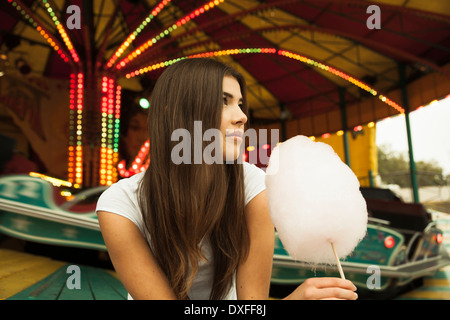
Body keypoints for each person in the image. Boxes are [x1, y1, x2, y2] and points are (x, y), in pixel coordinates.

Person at [96, 58, 357, 300]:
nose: (242, 116)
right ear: (175, 114)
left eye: (240, 104)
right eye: (224, 100)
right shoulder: (119, 206)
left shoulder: (253, 186)